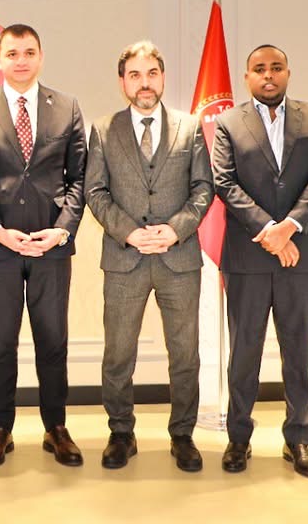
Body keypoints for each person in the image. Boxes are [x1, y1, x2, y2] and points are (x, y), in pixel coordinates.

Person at [85, 40, 213, 472]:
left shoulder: (189, 127)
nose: (145, 83)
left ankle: (183, 435)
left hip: (179, 259)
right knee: (118, 353)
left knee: (185, 353)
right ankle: (121, 432)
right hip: (125, 259)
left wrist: (175, 230)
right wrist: (130, 232)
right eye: (135, 75)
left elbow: (203, 188)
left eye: (152, 73)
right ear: (122, 81)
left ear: (163, 77)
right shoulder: (104, 129)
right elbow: (95, 191)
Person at [0, 23, 87, 468]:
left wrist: (62, 229)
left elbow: (80, 179)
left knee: (53, 341)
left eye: (29, 52)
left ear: (40, 57)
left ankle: (56, 427)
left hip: (50, 245)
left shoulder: (66, 107)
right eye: (12, 53)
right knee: (1, 344)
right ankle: (1, 428)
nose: (21, 60)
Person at [212, 44, 308, 478]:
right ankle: (238, 438)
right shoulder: (229, 123)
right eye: (259, 69)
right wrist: (269, 230)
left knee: (299, 353)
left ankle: (298, 439)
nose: (268, 75)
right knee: (244, 353)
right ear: (247, 77)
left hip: (303, 256)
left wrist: (290, 227)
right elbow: (224, 182)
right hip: (247, 258)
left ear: (287, 72)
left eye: (276, 68)